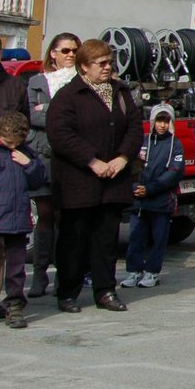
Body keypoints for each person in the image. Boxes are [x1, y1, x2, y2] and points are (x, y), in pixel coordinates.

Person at [46, 38, 142, 314]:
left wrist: (122, 157)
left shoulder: (120, 92)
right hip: (79, 181)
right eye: (101, 63)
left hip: (113, 180)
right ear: (84, 67)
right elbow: (60, 134)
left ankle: (105, 290)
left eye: (109, 62)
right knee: (74, 240)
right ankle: (68, 291)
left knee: (106, 239)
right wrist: (92, 161)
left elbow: (134, 127)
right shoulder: (69, 96)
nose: (107, 67)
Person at [0, 111, 48, 329]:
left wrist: (29, 164)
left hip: (17, 218)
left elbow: (39, 181)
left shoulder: (25, 152)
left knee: (16, 267)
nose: (12, 146)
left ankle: (14, 305)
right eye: (8, 142)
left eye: (17, 142)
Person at [23, 32, 78, 298]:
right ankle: (39, 274)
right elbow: (33, 115)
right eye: (65, 50)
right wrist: (63, 116)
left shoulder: (81, 83)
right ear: (53, 53)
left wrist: (50, 112)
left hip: (71, 161)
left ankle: (64, 277)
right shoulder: (37, 81)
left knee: (66, 218)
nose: (70, 55)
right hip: (42, 158)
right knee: (45, 216)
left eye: (74, 51)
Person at [119, 104, 185, 290]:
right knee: (136, 237)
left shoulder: (175, 145)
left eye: (166, 121)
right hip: (138, 201)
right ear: (152, 121)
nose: (162, 125)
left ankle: (152, 272)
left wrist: (150, 189)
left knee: (158, 239)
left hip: (161, 201)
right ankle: (134, 271)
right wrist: (135, 187)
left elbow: (174, 172)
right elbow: (130, 167)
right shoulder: (142, 141)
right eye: (159, 120)